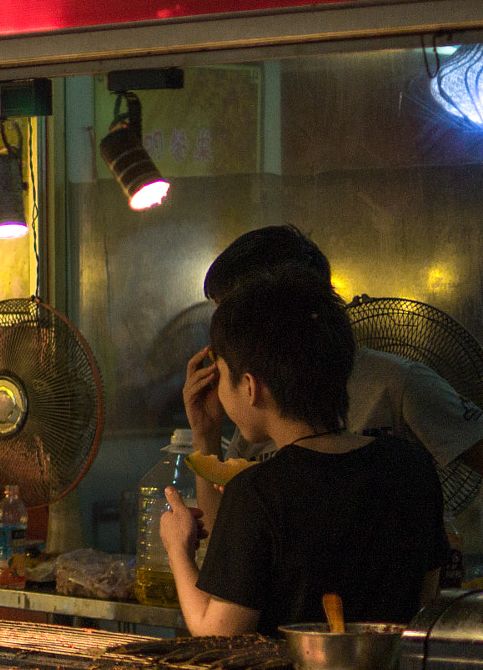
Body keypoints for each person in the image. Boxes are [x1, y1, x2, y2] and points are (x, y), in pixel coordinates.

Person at [184, 225, 483, 599]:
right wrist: (205, 435)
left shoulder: (397, 383)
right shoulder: (257, 402)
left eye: (235, 313)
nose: (225, 336)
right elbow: (233, 551)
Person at [161, 271, 450, 635]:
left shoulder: (258, 490)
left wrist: (178, 549)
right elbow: (427, 599)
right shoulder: (411, 467)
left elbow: (217, 634)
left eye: (220, 376)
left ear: (250, 387)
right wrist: (206, 432)